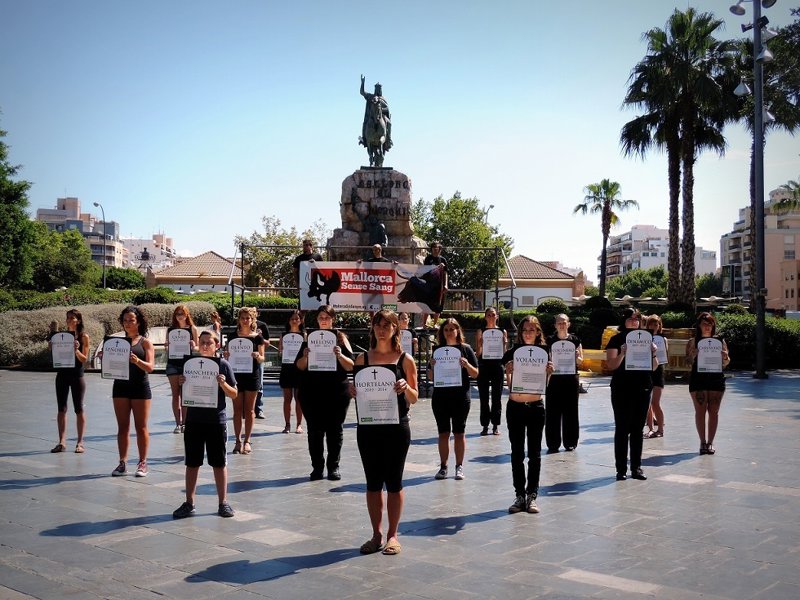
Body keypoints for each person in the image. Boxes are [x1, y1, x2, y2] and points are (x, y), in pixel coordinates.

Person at [352, 310, 418, 556]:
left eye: (387, 325)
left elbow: (415, 397)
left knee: (394, 482)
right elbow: (357, 390)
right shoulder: (362, 359)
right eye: (378, 325)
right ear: (373, 328)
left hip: (396, 428)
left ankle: (393, 535)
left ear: (395, 329)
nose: (382, 330)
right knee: (372, 483)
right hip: (368, 428)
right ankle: (376, 534)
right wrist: (351, 390)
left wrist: (406, 387)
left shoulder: (405, 359)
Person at [173, 330, 238, 519]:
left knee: (219, 463)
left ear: (217, 345)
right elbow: (183, 392)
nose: (205, 346)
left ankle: (223, 502)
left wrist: (223, 384)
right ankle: (189, 503)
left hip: (216, 421)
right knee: (192, 463)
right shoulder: (189, 364)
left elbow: (234, 394)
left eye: (209, 342)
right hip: (194, 420)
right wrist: (181, 382)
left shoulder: (223, 365)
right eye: (202, 342)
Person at [295, 305, 355, 481]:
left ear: (332, 319)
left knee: (335, 430)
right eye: (321, 317)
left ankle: (333, 467)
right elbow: (299, 366)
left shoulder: (341, 338)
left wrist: (340, 356)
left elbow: (351, 366)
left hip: (337, 391)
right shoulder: (309, 338)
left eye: (327, 317)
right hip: (311, 391)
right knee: (314, 431)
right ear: (317, 319)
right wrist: (305, 356)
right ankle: (317, 467)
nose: (324, 320)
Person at [502, 316, 553, 514]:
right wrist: (508, 372)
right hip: (515, 406)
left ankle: (532, 495)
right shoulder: (512, 353)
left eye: (532, 329)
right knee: (516, 453)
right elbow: (510, 385)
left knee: (534, 454)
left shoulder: (544, 352)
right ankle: (519, 495)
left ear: (538, 332)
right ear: (520, 332)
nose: (528, 333)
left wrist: (549, 373)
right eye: (525, 330)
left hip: (536, 407)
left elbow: (543, 385)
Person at [604, 308, 657, 481]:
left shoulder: (647, 339)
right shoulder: (616, 339)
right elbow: (611, 365)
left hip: (643, 386)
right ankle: (621, 469)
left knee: (637, 429)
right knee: (622, 428)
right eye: (631, 318)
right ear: (624, 320)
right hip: (622, 387)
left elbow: (654, 366)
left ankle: (636, 467)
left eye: (637, 318)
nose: (634, 321)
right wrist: (622, 354)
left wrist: (653, 354)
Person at [428, 317, 478, 481]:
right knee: (443, 433)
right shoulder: (437, 351)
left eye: (452, 329)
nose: (449, 332)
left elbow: (475, 374)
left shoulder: (466, 349)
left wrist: (467, 365)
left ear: (458, 331)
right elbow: (430, 377)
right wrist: (432, 366)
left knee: (459, 433)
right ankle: (443, 467)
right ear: (442, 332)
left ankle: (459, 466)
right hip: (441, 397)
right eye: (446, 329)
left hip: (460, 397)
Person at [107, 306, 155, 477]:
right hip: (120, 386)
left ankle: (143, 462)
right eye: (125, 320)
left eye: (131, 320)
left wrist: (137, 361)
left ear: (138, 322)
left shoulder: (145, 342)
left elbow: (150, 367)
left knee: (141, 427)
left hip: (140, 387)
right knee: (122, 427)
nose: (128, 323)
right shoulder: (116, 343)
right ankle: (122, 462)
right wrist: (105, 359)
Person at [686, 312, 731, 455]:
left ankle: (710, 442)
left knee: (714, 412)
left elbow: (726, 362)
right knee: (700, 411)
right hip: (698, 378)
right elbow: (687, 362)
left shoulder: (720, 341)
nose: (707, 326)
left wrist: (725, 357)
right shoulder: (693, 341)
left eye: (710, 324)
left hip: (716, 378)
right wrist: (693, 355)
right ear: (699, 325)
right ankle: (702, 442)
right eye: (704, 324)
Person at [223, 307, 265, 455]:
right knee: (237, 410)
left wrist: (257, 356)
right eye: (243, 318)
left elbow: (262, 358)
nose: (245, 320)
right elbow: (227, 354)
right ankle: (237, 441)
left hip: (252, 376)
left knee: (250, 410)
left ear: (252, 319)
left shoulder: (258, 337)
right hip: (236, 376)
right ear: (239, 320)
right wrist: (226, 355)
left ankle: (247, 441)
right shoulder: (232, 336)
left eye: (248, 318)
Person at [49, 309, 90, 454]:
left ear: (78, 320)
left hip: (77, 375)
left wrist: (76, 350)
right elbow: (56, 356)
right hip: (62, 374)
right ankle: (62, 442)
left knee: (78, 408)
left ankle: (80, 442)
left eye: (72, 318)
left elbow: (84, 359)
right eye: (67, 317)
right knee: (61, 409)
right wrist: (52, 347)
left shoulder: (83, 336)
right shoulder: (61, 336)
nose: (69, 320)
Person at [545, 313, 583, 452]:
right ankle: (553, 443)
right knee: (552, 412)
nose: (562, 325)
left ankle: (571, 442)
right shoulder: (549, 340)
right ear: (555, 325)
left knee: (571, 411)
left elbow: (580, 361)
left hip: (571, 379)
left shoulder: (575, 340)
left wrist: (577, 357)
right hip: (554, 379)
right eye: (559, 322)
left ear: (569, 324)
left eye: (564, 322)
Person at [165, 304, 198, 434]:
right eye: (177, 314)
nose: (180, 316)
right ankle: (177, 423)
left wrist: (193, 345)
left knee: (185, 395)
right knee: (175, 395)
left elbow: (198, 348)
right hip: (173, 363)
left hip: (187, 365)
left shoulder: (192, 329)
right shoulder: (170, 330)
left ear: (187, 315)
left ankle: (185, 422)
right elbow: (167, 347)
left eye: (182, 314)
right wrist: (167, 346)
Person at [476, 306, 507, 436]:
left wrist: (504, 344)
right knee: (483, 397)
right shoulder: (481, 331)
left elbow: (504, 353)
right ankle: (485, 425)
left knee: (496, 397)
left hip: (497, 365)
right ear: (485, 317)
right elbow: (478, 353)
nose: (491, 317)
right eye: (488, 315)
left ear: (497, 316)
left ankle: (495, 425)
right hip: (484, 365)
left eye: (493, 314)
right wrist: (480, 344)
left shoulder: (502, 331)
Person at [279, 310, 305, 433]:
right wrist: (281, 349)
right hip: (287, 368)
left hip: (299, 368)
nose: (294, 321)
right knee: (287, 399)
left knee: (299, 398)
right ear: (289, 321)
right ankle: (287, 424)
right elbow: (280, 352)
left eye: (297, 319)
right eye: (292, 319)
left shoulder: (305, 335)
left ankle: (299, 424)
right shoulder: (284, 335)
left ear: (301, 321)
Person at [644, 314, 667, 439]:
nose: (654, 326)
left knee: (655, 402)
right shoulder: (643, 338)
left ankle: (661, 429)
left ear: (659, 326)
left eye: (656, 324)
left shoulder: (663, 339)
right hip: (646, 370)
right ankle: (651, 428)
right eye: (651, 324)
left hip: (658, 371)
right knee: (647, 403)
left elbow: (665, 355)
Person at [359, 75, 392, 151]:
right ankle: (364, 139)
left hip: (382, 116)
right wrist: (362, 83)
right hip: (371, 116)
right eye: (377, 88)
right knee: (365, 123)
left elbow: (387, 108)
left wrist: (381, 109)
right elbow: (362, 92)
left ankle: (389, 140)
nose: (378, 90)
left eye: (379, 89)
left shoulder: (383, 98)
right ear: (375, 89)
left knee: (389, 123)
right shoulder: (371, 96)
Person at [422, 242, 448, 328]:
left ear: (440, 250)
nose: (435, 251)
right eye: (434, 249)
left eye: (437, 249)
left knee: (438, 305)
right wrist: (437, 267)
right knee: (427, 304)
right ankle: (424, 324)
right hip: (430, 284)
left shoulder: (443, 260)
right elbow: (425, 270)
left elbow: (445, 273)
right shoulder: (428, 259)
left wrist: (446, 285)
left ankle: (435, 324)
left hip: (440, 285)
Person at [254, 315, 271, 420]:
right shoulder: (242, 325)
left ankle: (259, 409)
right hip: (245, 360)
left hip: (259, 357)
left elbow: (268, 343)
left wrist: (260, 338)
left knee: (259, 385)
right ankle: (246, 409)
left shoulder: (262, 325)